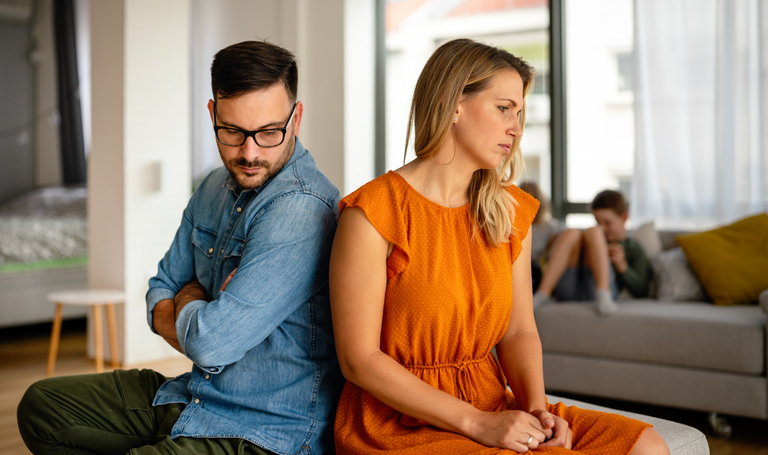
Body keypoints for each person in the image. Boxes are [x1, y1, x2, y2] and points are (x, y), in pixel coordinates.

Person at [329, 39, 668, 454]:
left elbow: (520, 330)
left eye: (520, 113)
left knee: (647, 445)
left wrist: (538, 410)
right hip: (398, 423)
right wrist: (478, 424)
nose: (517, 128)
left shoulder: (507, 212)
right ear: (453, 103)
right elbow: (358, 360)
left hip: (491, 403)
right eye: (504, 108)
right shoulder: (372, 213)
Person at [17, 40, 343, 455]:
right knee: (42, 407)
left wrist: (187, 303)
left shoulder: (302, 208)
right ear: (212, 114)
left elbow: (210, 343)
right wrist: (201, 308)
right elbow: (161, 286)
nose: (249, 153)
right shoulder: (211, 187)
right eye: (232, 132)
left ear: (296, 118)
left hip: (261, 432)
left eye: (267, 133)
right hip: (191, 398)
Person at [531, 190, 652, 316]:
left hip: (595, 291)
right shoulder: (592, 236)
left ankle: (603, 292)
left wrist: (623, 267)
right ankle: (542, 294)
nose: (602, 228)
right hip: (570, 287)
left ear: (624, 217)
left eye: (608, 222)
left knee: (593, 232)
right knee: (570, 233)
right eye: (598, 221)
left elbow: (643, 290)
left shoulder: (633, 247)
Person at [518, 181, 564, 293]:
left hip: (538, 269)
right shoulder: (514, 227)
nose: (526, 204)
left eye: (531, 198)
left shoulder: (552, 228)